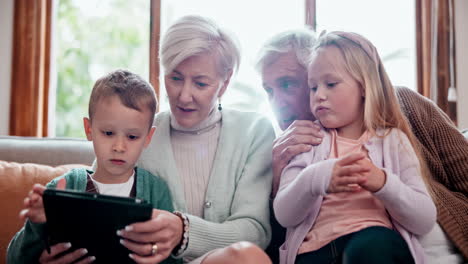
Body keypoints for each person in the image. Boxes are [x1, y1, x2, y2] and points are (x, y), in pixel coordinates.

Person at [257, 29, 468, 262]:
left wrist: (384, 183)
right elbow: (280, 232)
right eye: (268, 91)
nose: (277, 103)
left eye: (287, 84)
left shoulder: (398, 124)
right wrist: (278, 180)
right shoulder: (293, 147)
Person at [114, 15, 275, 264]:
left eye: (200, 83)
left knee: (247, 256)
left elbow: (254, 231)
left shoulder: (254, 131)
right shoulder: (137, 131)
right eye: (175, 78)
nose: (184, 96)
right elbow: (94, 199)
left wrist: (183, 230)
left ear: (225, 83)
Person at [7, 69, 179, 264]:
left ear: (148, 138)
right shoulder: (65, 186)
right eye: (108, 133)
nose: (119, 147)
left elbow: (171, 259)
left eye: (132, 137)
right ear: (89, 129)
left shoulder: (156, 191)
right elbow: (14, 259)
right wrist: (37, 225)